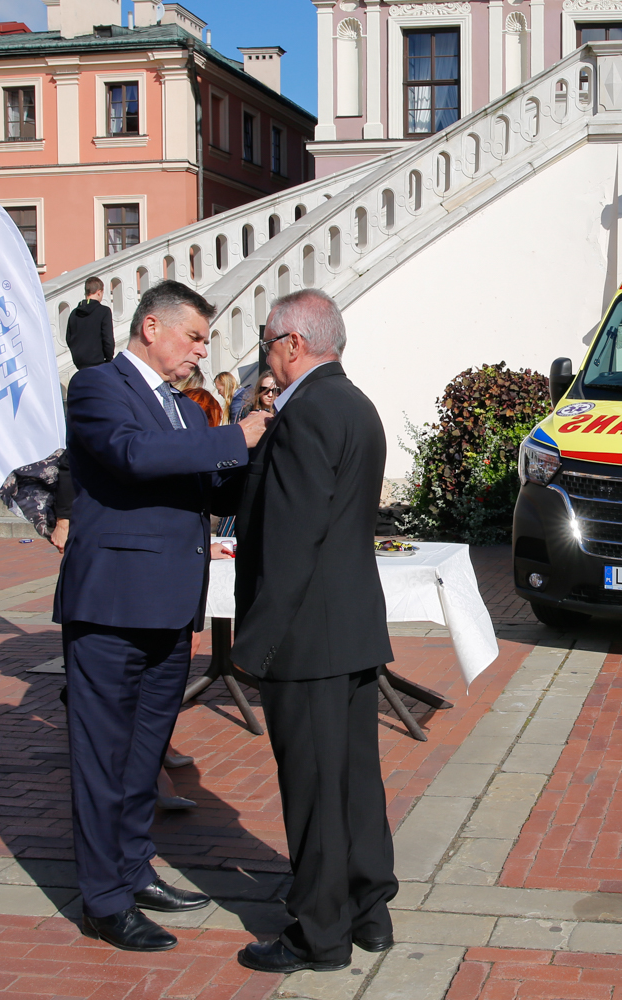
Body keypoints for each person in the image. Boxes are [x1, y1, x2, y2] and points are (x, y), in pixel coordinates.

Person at [54, 281, 272, 952]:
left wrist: (258, 446)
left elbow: (208, 481)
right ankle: (103, 899)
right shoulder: (98, 387)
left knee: (143, 753)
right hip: (112, 605)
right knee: (102, 755)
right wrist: (234, 434)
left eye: (206, 340)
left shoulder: (183, 408)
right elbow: (131, 456)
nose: (202, 350)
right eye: (194, 337)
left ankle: (133, 866)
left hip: (170, 606)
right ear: (152, 327)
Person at [231, 289, 397, 974]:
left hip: (308, 637)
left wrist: (254, 645)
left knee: (314, 790)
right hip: (352, 627)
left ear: (293, 344)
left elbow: (294, 545)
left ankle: (319, 933)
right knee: (355, 780)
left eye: (268, 342)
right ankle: (368, 909)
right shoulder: (357, 404)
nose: (265, 357)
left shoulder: (305, 416)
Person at [66, 277, 115, 370]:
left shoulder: (74, 313)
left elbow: (69, 338)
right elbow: (108, 338)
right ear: (99, 292)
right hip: (100, 364)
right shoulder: (104, 311)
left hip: (80, 364)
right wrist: (109, 359)